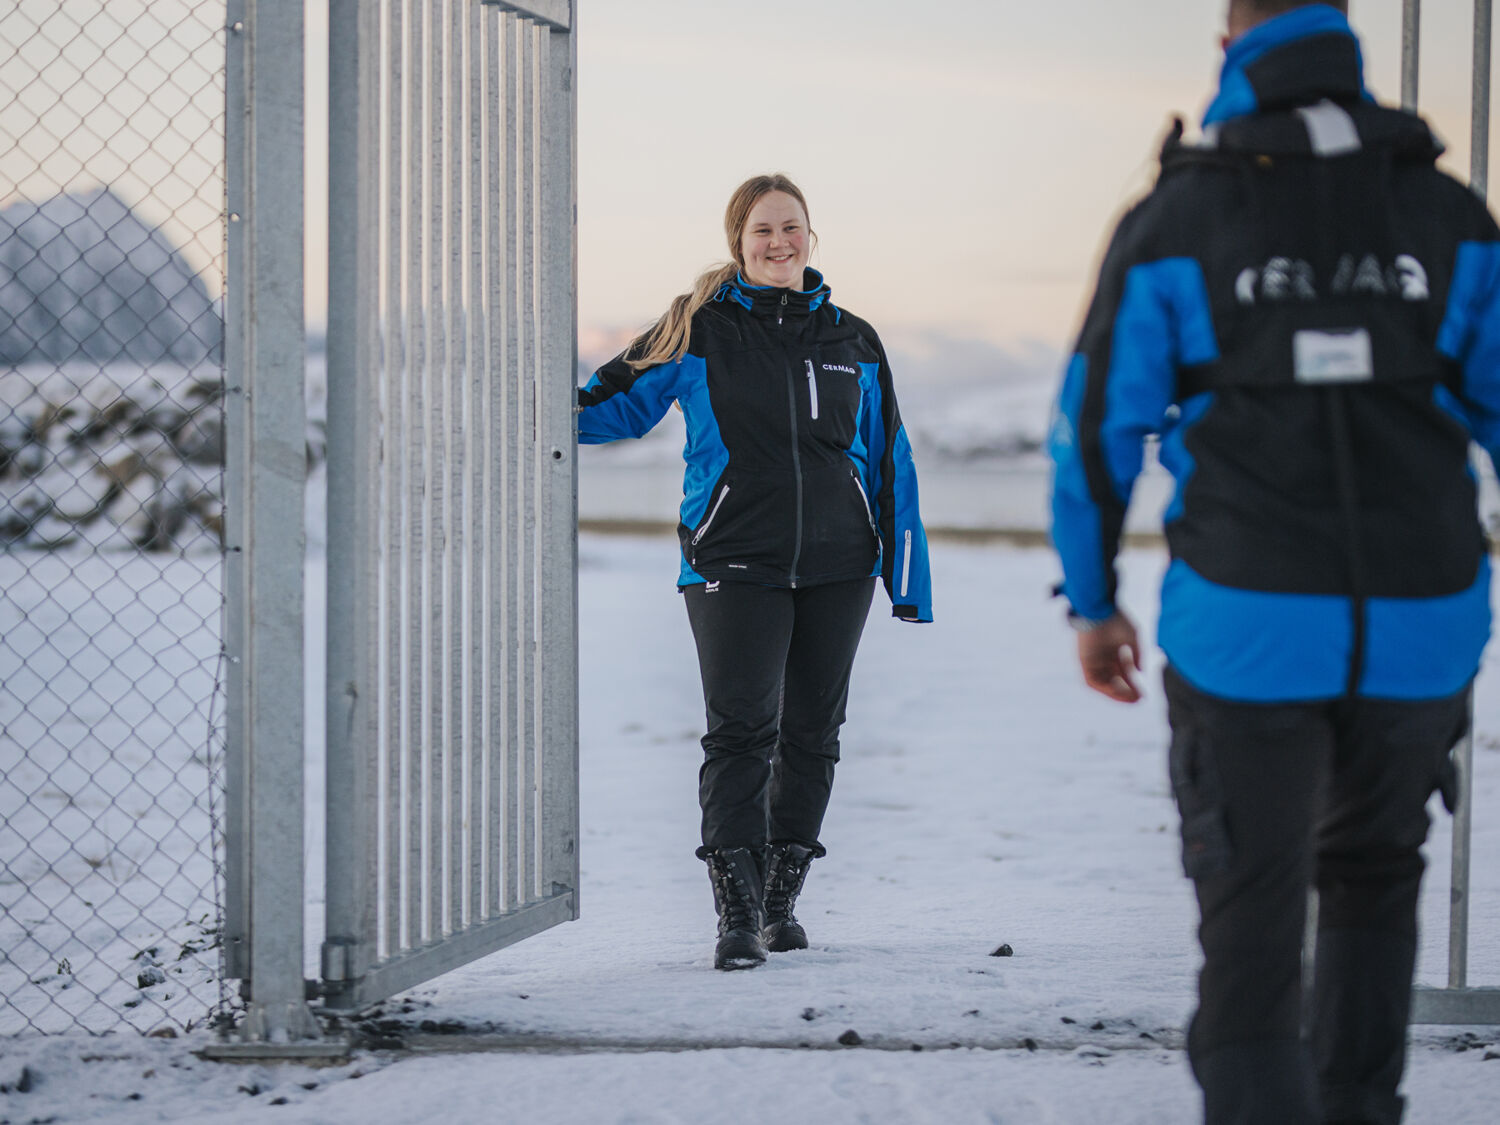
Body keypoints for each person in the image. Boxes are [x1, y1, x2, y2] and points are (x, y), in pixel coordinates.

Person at [1049, 2, 1500, 1121]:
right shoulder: (1453, 215)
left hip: (1248, 621)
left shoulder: (1178, 217)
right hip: (1424, 616)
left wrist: (1095, 601)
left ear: (1229, 46)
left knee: (1250, 918)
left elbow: (1094, 429)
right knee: (1373, 877)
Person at [577, 174, 933, 971]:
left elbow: (891, 461)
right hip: (730, 562)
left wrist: (905, 576)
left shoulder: (852, 339)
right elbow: (609, 405)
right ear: (738, 242)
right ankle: (735, 913)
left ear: (812, 237)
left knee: (813, 734)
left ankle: (780, 901)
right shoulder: (699, 330)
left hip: (841, 564)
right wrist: (522, 403)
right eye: (762, 231)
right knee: (741, 732)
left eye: (792, 228)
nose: (779, 242)